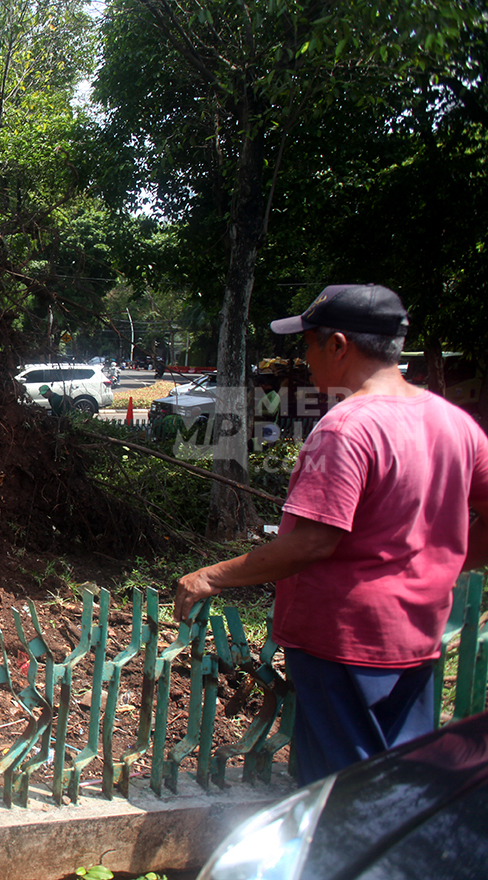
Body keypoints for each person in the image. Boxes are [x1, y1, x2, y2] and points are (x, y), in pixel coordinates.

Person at [174, 284, 488, 785]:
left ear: (338, 345)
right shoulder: (455, 423)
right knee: (401, 784)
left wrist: (210, 576)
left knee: (343, 794)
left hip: (345, 645)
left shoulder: (347, 428)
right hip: (418, 635)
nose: (304, 358)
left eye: (308, 344)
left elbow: (312, 543)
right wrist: (444, 564)